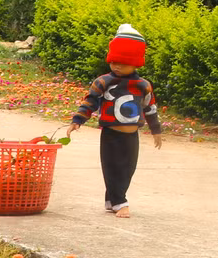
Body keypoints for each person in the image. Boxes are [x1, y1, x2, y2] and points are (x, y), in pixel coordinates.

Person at [69, 24, 162, 218]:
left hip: (132, 135)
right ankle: (121, 202)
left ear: (136, 63)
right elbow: (91, 101)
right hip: (111, 134)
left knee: (128, 169)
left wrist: (156, 130)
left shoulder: (143, 85)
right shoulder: (103, 81)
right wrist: (78, 119)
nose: (117, 66)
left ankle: (111, 199)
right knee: (111, 167)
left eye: (123, 62)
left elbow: (150, 108)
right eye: (114, 62)